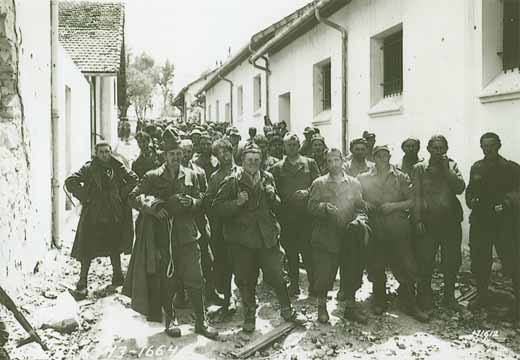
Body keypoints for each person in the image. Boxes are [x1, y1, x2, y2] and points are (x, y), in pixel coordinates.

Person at [123, 129, 218, 339]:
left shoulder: (192, 174)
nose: (176, 157)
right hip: (163, 236)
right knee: (168, 280)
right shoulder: (152, 176)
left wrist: (194, 202)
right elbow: (133, 197)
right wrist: (154, 206)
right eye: (171, 154)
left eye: (178, 153)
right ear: (164, 155)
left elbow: (203, 198)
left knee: (196, 278)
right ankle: (170, 320)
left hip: (188, 235)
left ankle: (201, 323)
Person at [212, 144, 304, 332]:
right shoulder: (232, 181)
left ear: (260, 160)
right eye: (249, 160)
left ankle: (287, 310)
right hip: (242, 240)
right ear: (242, 161)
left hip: (267, 238)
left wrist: (272, 196)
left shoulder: (268, 178)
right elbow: (217, 208)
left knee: (278, 275)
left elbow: (277, 206)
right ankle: (249, 316)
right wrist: (236, 203)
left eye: (256, 160)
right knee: (247, 280)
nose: (253, 164)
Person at [357, 145, 428, 322]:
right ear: (373, 158)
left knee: (406, 264)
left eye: (385, 156)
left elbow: (412, 201)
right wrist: (367, 204)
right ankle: (379, 299)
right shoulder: (363, 178)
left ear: (390, 157)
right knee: (377, 264)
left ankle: (410, 302)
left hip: (398, 228)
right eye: (379, 156)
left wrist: (393, 206)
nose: (383, 159)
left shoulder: (401, 176)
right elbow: (357, 199)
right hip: (376, 227)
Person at [65, 142, 138, 297]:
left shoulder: (117, 166)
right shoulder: (89, 168)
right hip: (95, 215)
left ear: (110, 152)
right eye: (101, 152)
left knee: (115, 245)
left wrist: (121, 194)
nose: (105, 155)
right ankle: (82, 281)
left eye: (107, 151)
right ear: (96, 153)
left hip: (113, 213)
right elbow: (71, 181)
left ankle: (117, 276)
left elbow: (133, 179)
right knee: (87, 248)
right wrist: (87, 197)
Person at [308, 148, 370, 324]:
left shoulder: (354, 183)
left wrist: (359, 220)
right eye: (329, 161)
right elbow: (310, 207)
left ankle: (350, 308)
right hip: (326, 235)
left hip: (348, 235)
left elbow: (360, 208)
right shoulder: (319, 183)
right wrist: (324, 208)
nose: (333, 164)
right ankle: (321, 308)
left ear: (343, 160)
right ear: (325, 163)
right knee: (324, 273)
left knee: (351, 271)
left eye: (336, 160)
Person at [465, 133, 520, 323]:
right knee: (480, 260)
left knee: (512, 261)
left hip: (504, 222)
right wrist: (470, 200)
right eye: (484, 146)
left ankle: (518, 306)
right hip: (481, 221)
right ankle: (482, 295)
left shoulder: (511, 168)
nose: (488, 149)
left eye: (492, 145)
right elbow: (470, 190)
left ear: (499, 146)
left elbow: (518, 192)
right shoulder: (477, 167)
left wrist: (506, 202)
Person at [412, 135, 466, 313]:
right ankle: (424, 296)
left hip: (450, 222)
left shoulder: (451, 165)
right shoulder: (420, 168)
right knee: (426, 259)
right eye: (435, 148)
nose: (439, 151)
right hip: (429, 223)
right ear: (428, 149)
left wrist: (447, 169)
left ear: (446, 149)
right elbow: (416, 196)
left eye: (442, 148)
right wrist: (418, 219)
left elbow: (459, 188)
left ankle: (449, 297)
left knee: (452, 260)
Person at [270, 133, 321, 296]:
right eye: (289, 145)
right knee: (290, 252)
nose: (292, 147)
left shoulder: (309, 163)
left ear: (299, 145)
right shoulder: (277, 167)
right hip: (287, 217)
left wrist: (307, 192)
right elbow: (274, 189)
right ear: (284, 147)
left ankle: (314, 284)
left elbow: (319, 185)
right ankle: (294, 283)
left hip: (306, 216)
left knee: (309, 251)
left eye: (295, 144)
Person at [205, 139, 240, 318]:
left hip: (243, 227)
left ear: (231, 151)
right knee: (224, 264)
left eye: (226, 152)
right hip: (222, 228)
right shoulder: (215, 177)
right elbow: (210, 203)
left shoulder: (242, 171)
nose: (224, 156)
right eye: (219, 154)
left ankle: (247, 300)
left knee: (243, 264)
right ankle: (228, 297)